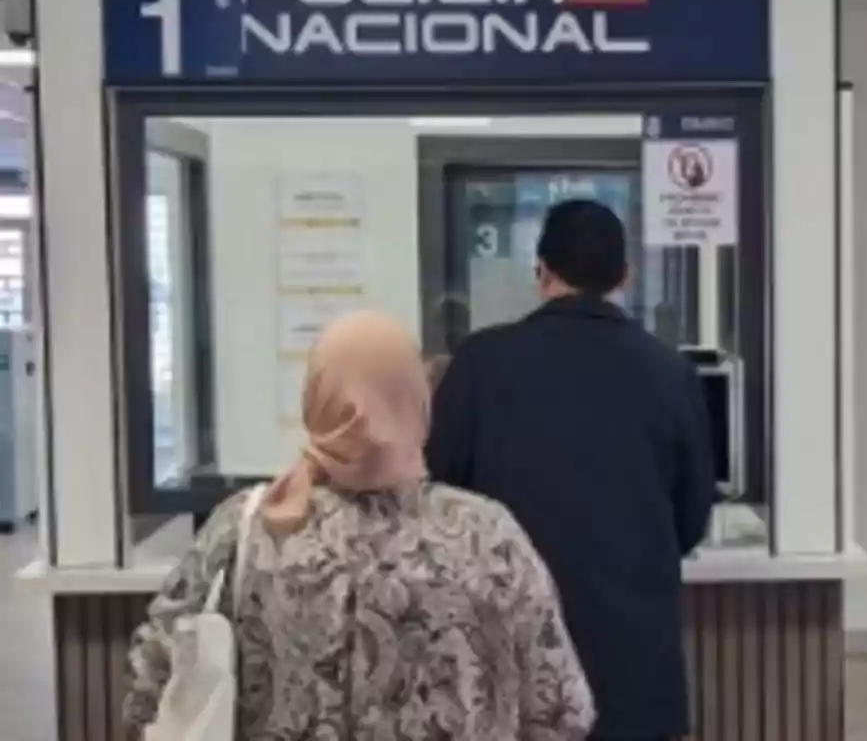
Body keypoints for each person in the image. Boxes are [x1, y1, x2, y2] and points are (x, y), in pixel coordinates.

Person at [124, 310, 594, 740]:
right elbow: (561, 711)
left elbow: (150, 688)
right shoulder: (487, 537)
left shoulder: (247, 528)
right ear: (418, 401)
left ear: (316, 397)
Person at [426, 200, 717, 741]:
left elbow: (441, 499)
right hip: (632, 665)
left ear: (541, 272)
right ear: (625, 277)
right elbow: (692, 514)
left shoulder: (479, 364)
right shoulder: (670, 371)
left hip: (506, 654)